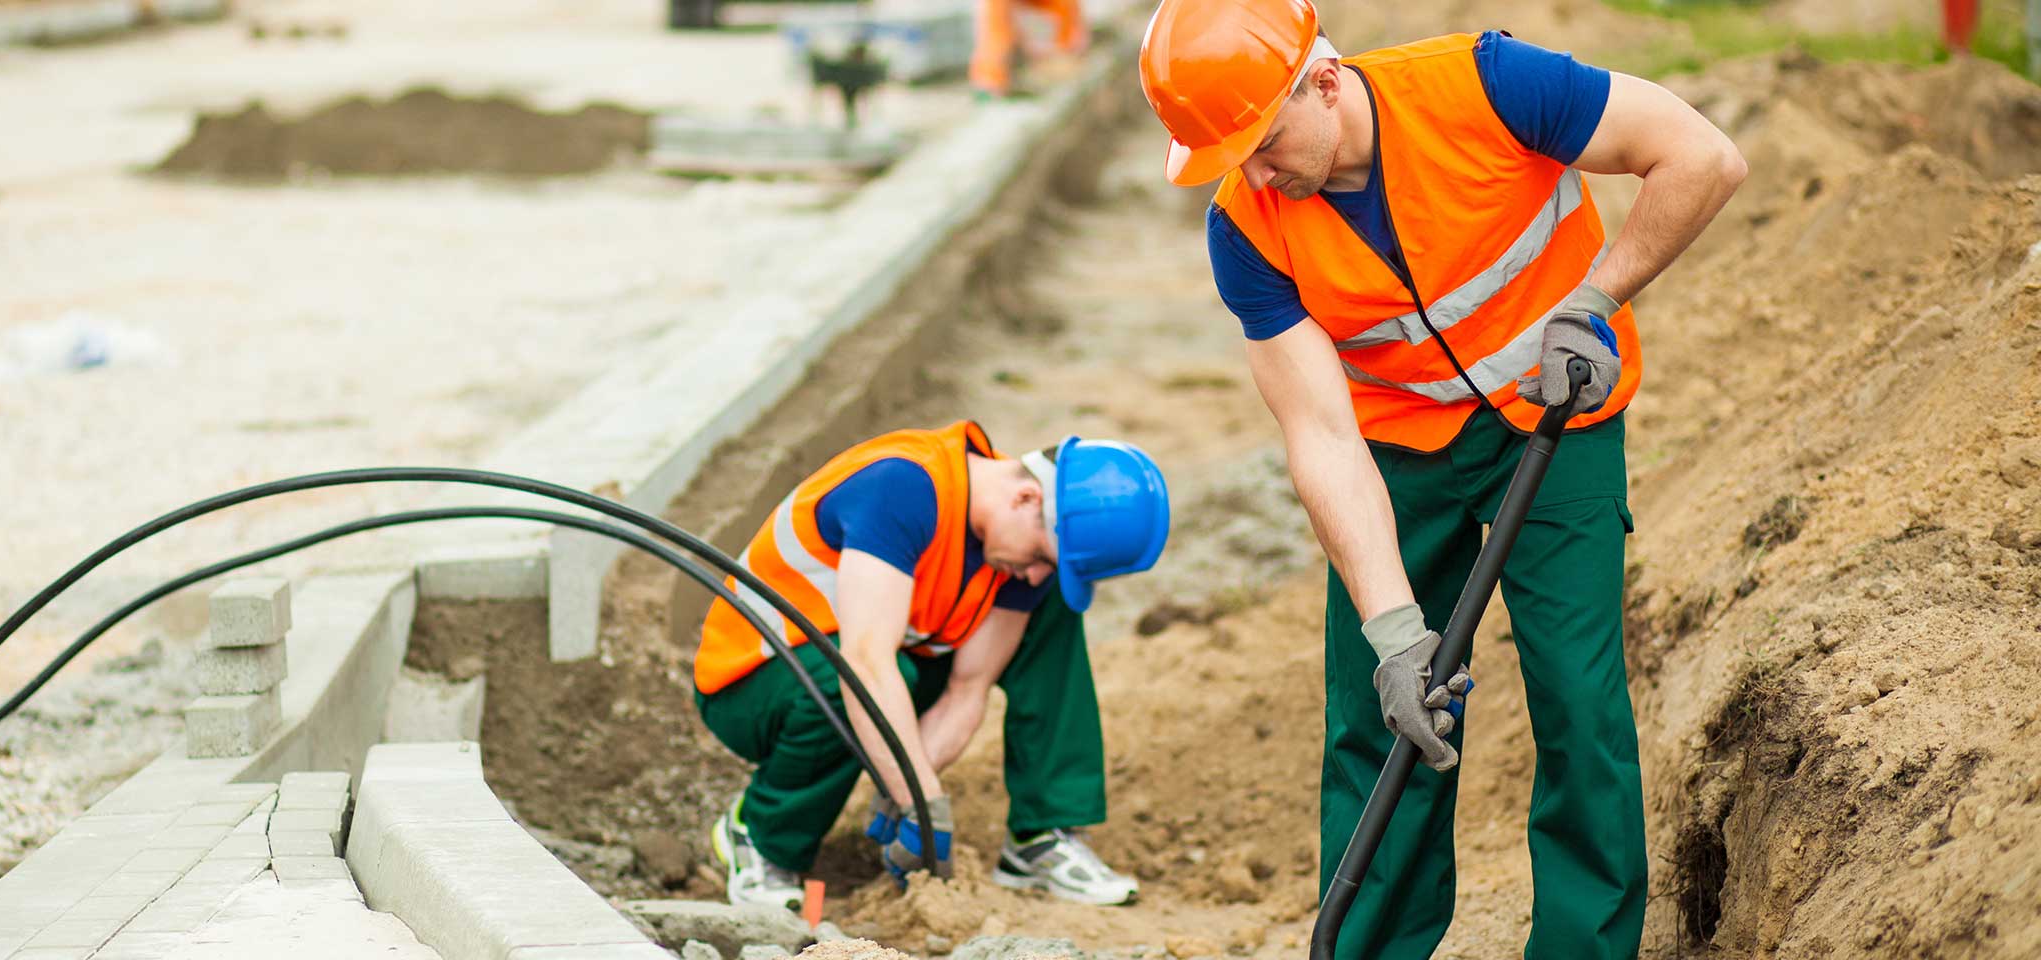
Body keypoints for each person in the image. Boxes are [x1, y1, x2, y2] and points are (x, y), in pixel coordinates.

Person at [1136, 1, 1745, 956]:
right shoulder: (1245, 230)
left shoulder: (1489, 87)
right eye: (1229, 160)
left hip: (1555, 421)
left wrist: (1596, 298)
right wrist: (1393, 636)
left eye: (1261, 142)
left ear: (1326, 82)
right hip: (1398, 455)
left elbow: (1703, 157)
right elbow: (1321, 437)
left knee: (1578, 703)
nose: (1253, 175)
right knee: (1384, 714)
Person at [694, 420, 1168, 909]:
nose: (1035, 573)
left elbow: (969, 688)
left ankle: (1040, 837)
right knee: (850, 679)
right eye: (1041, 556)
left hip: (881, 667)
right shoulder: (903, 487)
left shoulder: (1018, 541)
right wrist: (921, 802)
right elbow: (865, 665)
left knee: (1052, 610)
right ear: (1026, 499)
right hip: (755, 682)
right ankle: (760, 837)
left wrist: (905, 785)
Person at [971, 0, 1087, 98]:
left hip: (1052, 67)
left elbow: (1070, 49)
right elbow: (993, 48)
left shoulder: (1062, 5)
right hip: (1010, 78)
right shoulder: (996, 6)